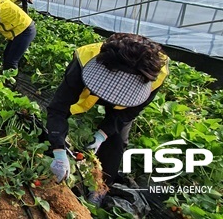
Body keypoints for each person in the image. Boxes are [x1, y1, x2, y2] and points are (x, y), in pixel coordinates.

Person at [46, 33, 169, 205]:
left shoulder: (154, 75)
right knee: (54, 130)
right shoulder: (84, 59)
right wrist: (58, 150)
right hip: (89, 84)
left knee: (116, 140)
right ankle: (54, 159)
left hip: (128, 101)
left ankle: (101, 186)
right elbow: (58, 108)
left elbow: (127, 113)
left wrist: (102, 135)